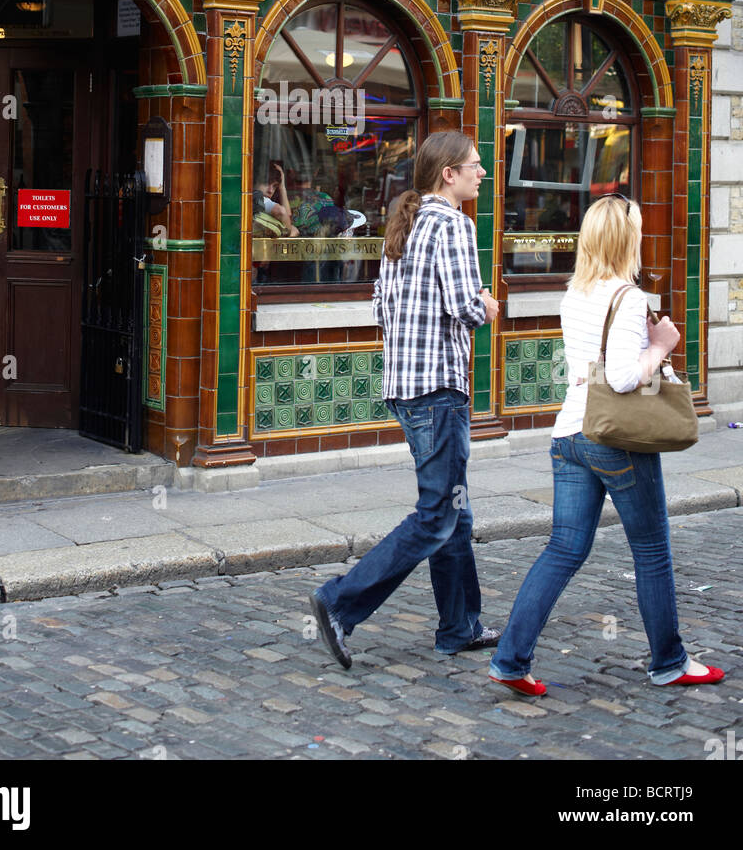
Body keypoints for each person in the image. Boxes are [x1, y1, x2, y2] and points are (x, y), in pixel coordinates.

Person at [489, 194, 725, 695]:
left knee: (564, 549)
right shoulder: (630, 297)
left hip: (570, 434)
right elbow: (619, 379)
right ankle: (670, 662)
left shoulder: (574, 293)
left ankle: (510, 659)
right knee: (652, 550)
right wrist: (660, 346)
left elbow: (590, 369)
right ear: (627, 239)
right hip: (615, 440)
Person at [311, 130, 500, 669]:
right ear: (449, 174)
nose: (481, 172)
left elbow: (380, 302)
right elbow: (463, 305)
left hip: (405, 387)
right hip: (438, 389)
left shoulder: (406, 222)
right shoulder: (453, 226)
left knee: (454, 511)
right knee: (438, 514)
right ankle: (340, 601)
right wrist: (486, 304)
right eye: (475, 164)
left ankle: (459, 626)